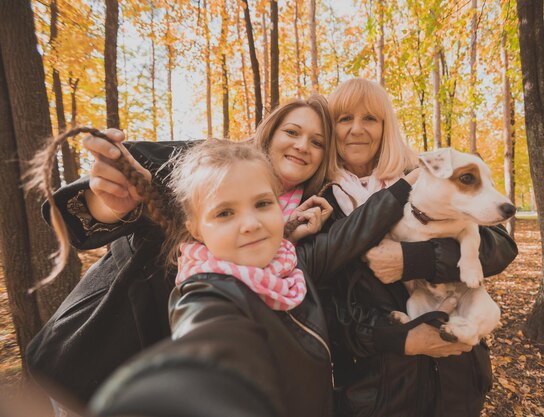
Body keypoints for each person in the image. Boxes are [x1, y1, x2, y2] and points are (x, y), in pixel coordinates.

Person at [24, 95, 337, 413]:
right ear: (272, 131)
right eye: (293, 132)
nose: (302, 146)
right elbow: (126, 180)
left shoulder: (310, 213)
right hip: (103, 349)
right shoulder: (206, 161)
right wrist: (109, 204)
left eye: (317, 142)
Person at [84, 140, 422, 417]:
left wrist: (407, 185)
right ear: (196, 229)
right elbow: (213, 341)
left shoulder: (288, 265)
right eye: (225, 213)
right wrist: (188, 388)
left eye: (262, 204)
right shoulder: (209, 289)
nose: (251, 223)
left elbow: (348, 237)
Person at [316, 78, 519, 417]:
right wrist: (401, 339)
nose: (357, 129)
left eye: (370, 119)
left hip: (457, 380)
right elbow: (327, 310)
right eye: (344, 118)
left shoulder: (422, 174)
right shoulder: (321, 204)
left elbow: (501, 248)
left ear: (385, 126)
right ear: (331, 127)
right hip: (380, 392)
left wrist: (415, 259)